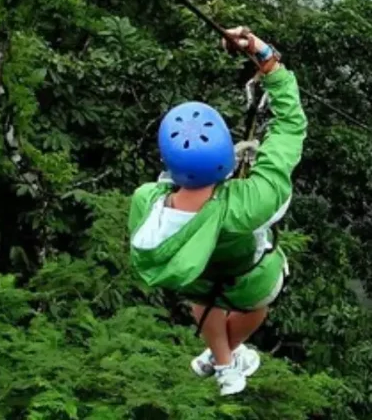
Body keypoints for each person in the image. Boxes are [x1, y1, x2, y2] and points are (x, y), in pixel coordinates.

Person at [127, 26, 306, 396]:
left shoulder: (146, 200)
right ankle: (224, 359)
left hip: (198, 281)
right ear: (226, 159)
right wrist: (267, 60)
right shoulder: (247, 203)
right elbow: (290, 127)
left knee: (204, 302)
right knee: (261, 302)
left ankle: (222, 361)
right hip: (247, 281)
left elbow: (165, 187)